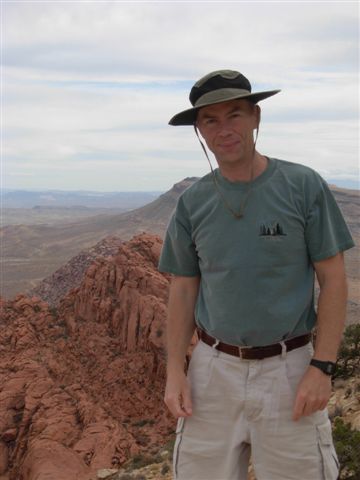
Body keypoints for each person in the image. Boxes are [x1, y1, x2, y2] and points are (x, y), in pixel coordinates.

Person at [158, 69, 355, 480]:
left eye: (235, 115)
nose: (224, 129)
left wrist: (323, 366)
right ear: (199, 130)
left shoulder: (302, 185)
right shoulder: (192, 204)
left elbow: (334, 279)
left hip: (290, 369)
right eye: (210, 120)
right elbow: (182, 289)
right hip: (212, 370)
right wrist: (175, 370)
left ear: (256, 118)